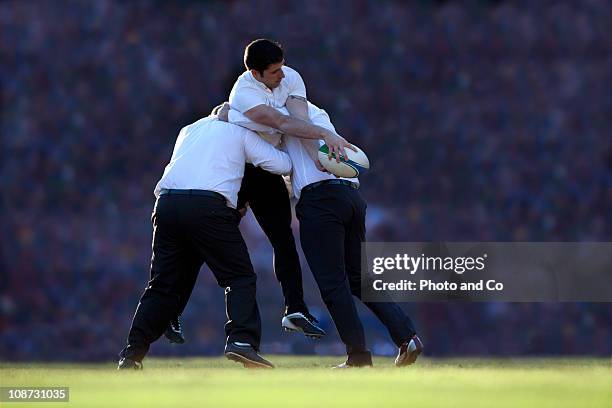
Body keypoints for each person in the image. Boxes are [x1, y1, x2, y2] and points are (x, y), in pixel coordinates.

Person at [165, 38, 354, 342]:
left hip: (267, 168)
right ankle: (170, 308)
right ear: (255, 74)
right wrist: (322, 135)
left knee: (283, 239)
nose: (283, 75)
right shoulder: (242, 95)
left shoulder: (290, 77)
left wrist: (319, 157)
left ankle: (295, 308)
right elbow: (283, 122)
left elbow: (298, 118)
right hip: (241, 169)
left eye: (282, 67)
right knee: (203, 242)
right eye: (275, 72)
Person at [225, 102, 424, 368]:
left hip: (320, 199)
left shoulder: (278, 114)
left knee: (333, 283)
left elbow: (242, 120)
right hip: (350, 194)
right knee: (358, 279)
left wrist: (226, 111)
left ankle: (358, 357)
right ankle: (407, 338)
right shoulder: (316, 112)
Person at [117, 112, 292, 370]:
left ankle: (131, 355)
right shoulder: (241, 133)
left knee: (162, 285)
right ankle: (241, 340)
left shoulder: (189, 129)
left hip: (166, 204)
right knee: (239, 277)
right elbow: (282, 165)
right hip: (208, 206)